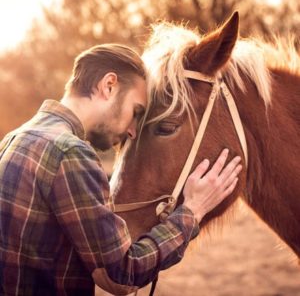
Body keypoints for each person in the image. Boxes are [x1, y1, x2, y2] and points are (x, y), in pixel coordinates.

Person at [0, 44, 242, 296]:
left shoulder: (15, 138)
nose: (132, 131)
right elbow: (125, 272)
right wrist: (193, 210)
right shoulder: (70, 153)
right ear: (109, 86)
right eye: (136, 111)